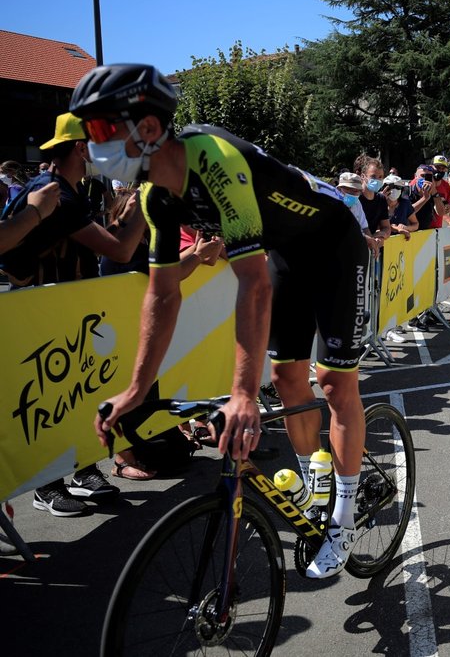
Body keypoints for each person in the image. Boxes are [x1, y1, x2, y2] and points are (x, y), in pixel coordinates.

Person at [76, 64, 370, 579]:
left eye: (100, 129)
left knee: (334, 383)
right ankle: (314, 479)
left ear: (147, 128)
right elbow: (161, 294)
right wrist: (136, 389)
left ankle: (343, 518)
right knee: (285, 377)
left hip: (334, 245)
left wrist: (242, 394)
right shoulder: (155, 196)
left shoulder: (212, 157)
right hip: (288, 251)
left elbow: (252, 284)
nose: (91, 144)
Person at [0, 112, 149, 514]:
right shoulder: (58, 194)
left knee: (77, 389)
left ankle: (82, 471)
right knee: (49, 398)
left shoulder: (68, 190)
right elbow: (119, 250)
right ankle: (46, 486)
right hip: (44, 314)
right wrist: (146, 205)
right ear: (83, 148)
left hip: (63, 312)